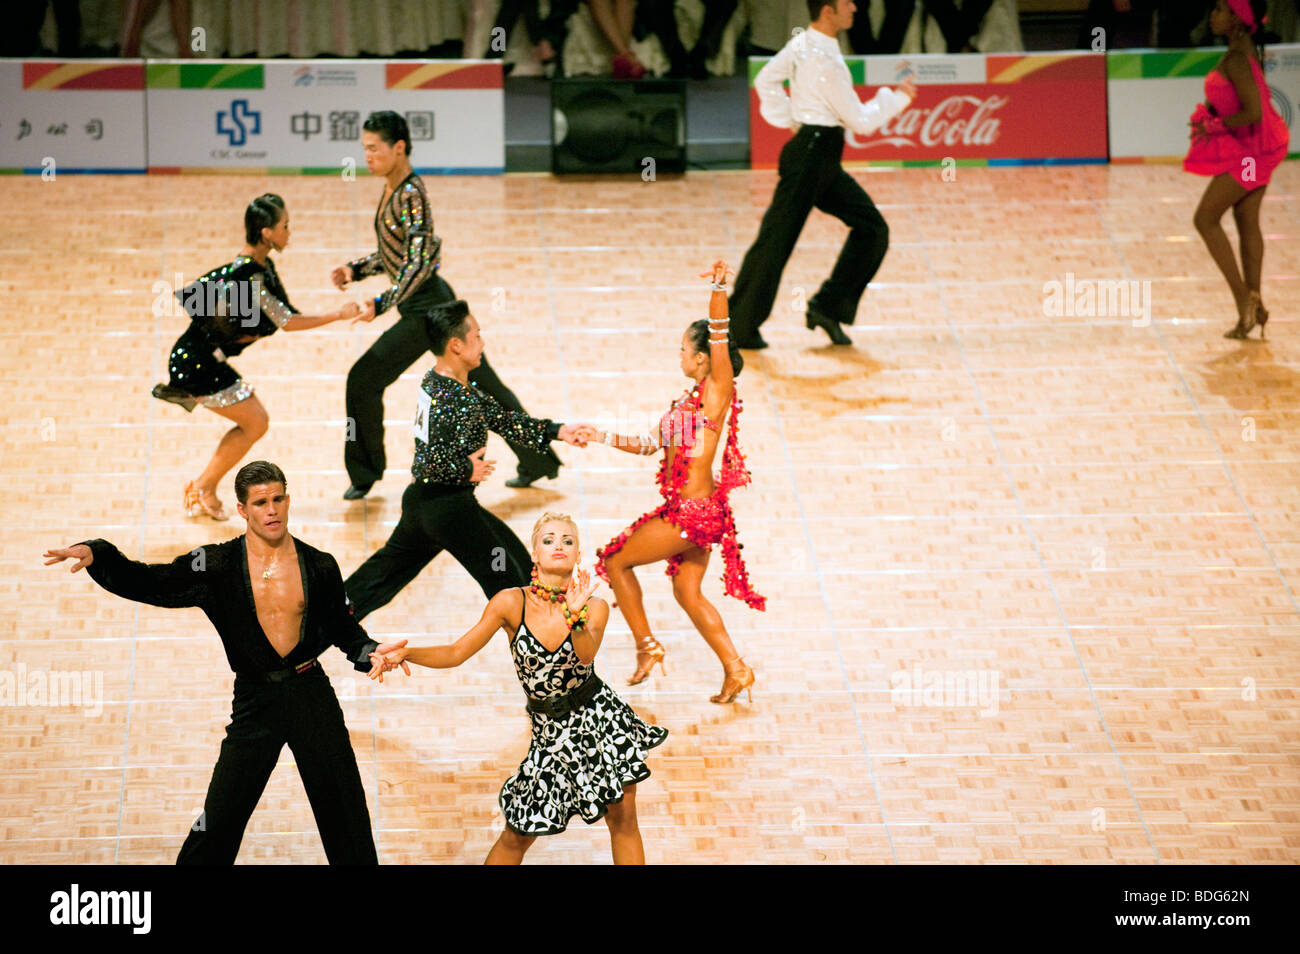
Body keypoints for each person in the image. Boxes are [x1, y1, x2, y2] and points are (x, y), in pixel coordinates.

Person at [42, 461, 410, 865]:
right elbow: (152, 580)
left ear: (288, 500)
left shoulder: (319, 564)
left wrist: (368, 651)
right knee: (218, 820)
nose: (271, 510)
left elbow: (341, 627)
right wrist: (98, 553)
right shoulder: (215, 565)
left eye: (277, 499)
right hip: (256, 702)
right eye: (260, 503)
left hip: (311, 695)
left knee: (346, 815)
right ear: (242, 510)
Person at [368, 512, 666, 864]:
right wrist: (409, 652)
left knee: (623, 818)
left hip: (600, 720)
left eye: (568, 541)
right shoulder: (510, 602)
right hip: (550, 733)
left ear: (577, 553)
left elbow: (585, 655)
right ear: (534, 554)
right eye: (549, 540)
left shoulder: (595, 606)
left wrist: (573, 614)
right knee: (518, 832)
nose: (559, 546)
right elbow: (456, 652)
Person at [333, 111, 561, 499]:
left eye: (374, 148)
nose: (366, 156)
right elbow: (399, 253)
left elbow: (420, 263)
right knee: (483, 388)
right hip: (423, 305)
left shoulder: (411, 193)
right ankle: (540, 461)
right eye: (364, 149)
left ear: (399, 147)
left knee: (367, 378)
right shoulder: (393, 188)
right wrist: (356, 270)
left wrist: (381, 300)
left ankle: (365, 473)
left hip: (432, 311)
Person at [344, 301, 589, 620]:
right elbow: (428, 462)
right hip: (449, 511)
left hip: (425, 504)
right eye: (477, 336)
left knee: (377, 580)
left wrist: (559, 431)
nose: (483, 343)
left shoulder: (437, 382)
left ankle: (318, 620)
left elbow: (503, 419)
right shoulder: (457, 400)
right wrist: (465, 468)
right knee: (516, 590)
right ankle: (551, 660)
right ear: (456, 345)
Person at [589, 262, 765, 704]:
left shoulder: (714, 391)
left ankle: (648, 647)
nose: (680, 357)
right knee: (687, 590)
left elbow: (720, 331)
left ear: (702, 358)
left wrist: (720, 289)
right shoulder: (688, 405)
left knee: (615, 560)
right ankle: (736, 669)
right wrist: (602, 436)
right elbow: (651, 445)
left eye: (684, 350)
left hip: (691, 514)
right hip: (702, 512)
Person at [152, 193, 370, 521]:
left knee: (255, 422)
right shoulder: (250, 279)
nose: (289, 232)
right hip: (196, 364)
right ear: (267, 233)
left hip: (205, 358)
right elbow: (288, 322)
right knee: (256, 422)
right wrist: (338, 314)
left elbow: (280, 315)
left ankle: (203, 486)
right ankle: (202, 487)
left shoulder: (257, 268)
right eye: (285, 226)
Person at [728, 0, 917, 349]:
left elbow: (766, 78)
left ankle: (827, 308)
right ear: (827, 10)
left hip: (818, 156)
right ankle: (737, 325)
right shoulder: (823, 60)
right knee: (776, 240)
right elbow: (859, 120)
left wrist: (792, 119)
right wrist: (898, 99)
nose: (855, 8)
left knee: (871, 229)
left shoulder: (805, 44)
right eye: (847, 2)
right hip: (812, 158)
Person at [1185, 0, 1289, 339]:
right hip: (1255, 147)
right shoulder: (1239, 50)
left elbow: (1255, 111)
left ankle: (1244, 298)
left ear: (1236, 19)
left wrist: (1214, 126)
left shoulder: (1239, 57)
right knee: (1246, 220)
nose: (1212, 15)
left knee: (1205, 218)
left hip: (1253, 153)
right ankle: (1252, 309)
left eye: (1219, 10)